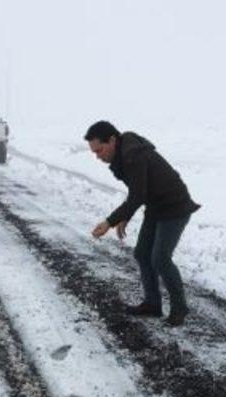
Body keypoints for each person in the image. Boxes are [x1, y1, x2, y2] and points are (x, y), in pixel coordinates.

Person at [86, 120, 200, 327]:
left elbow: (138, 194)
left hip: (175, 207)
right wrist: (125, 216)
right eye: (94, 152)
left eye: (99, 150)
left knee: (160, 259)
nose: (98, 156)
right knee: (142, 253)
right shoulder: (123, 155)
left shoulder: (133, 155)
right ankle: (152, 304)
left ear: (112, 140)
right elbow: (139, 190)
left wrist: (110, 221)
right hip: (156, 207)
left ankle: (180, 307)